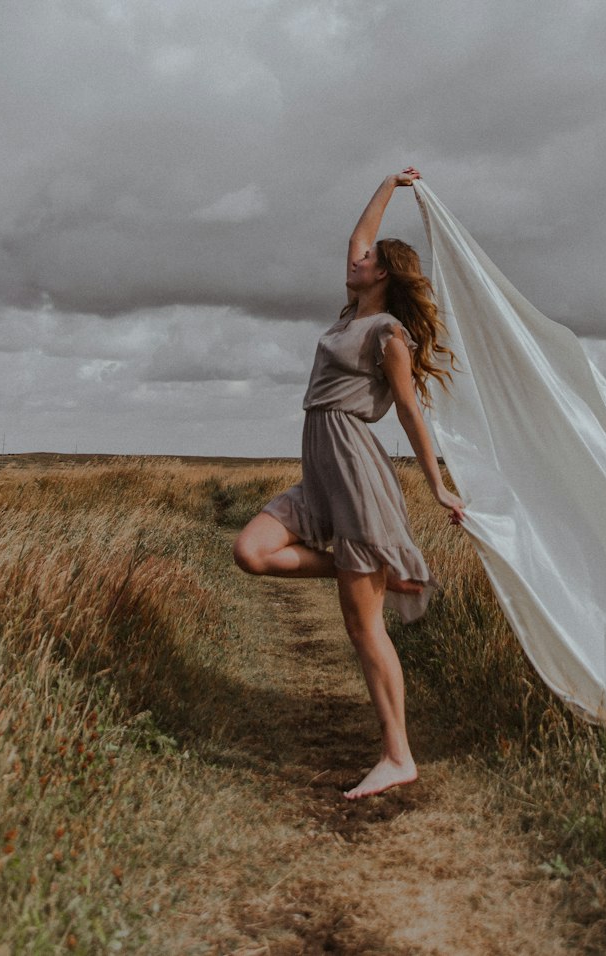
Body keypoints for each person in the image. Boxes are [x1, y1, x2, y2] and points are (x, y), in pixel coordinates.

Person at [233, 167, 464, 800]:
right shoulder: (348, 317)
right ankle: (358, 570)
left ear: (383, 272)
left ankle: (398, 755)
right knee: (251, 552)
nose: (354, 261)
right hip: (320, 468)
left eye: (366, 261)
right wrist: (391, 182)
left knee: (364, 630)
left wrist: (437, 485)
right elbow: (359, 233)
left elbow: (412, 411)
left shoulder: (388, 334)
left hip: (357, 468)